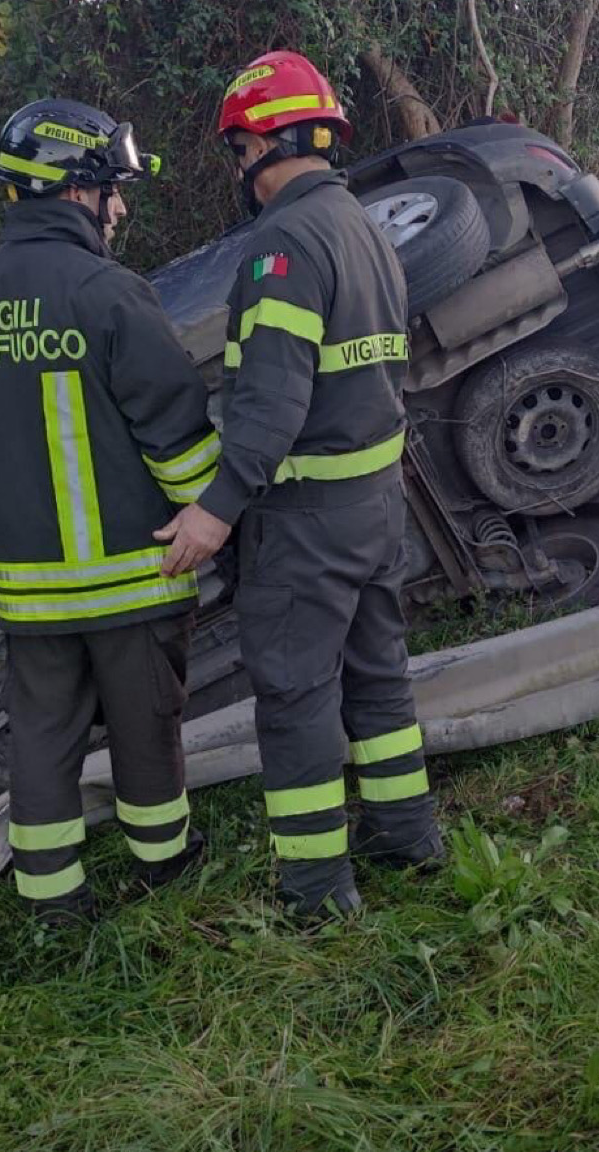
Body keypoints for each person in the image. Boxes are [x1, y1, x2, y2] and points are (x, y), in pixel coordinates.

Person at [151, 50, 442, 918]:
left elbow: (273, 400)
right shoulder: (363, 228)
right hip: (372, 506)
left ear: (257, 144)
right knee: (378, 672)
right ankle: (409, 837)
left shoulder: (283, 245)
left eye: (237, 152)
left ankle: (317, 891)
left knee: (296, 695)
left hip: (306, 515)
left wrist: (215, 510)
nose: (239, 170)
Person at [0, 99, 217, 926]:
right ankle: (166, 871)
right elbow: (177, 431)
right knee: (146, 730)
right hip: (135, 575)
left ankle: (53, 903)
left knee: (42, 744)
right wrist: (215, 514)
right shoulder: (107, 292)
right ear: (73, 189)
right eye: (111, 189)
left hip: (31, 591)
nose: (120, 207)